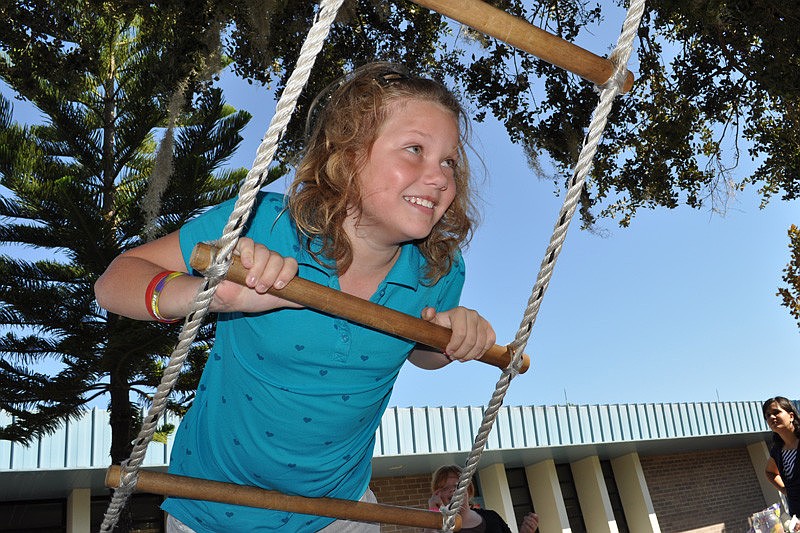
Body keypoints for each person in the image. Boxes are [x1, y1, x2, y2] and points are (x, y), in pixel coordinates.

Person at [94, 61, 497, 532]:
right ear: (347, 157)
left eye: (449, 161)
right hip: (211, 510)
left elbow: (419, 352)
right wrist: (207, 296)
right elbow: (114, 281)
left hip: (338, 511)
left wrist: (451, 340)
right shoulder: (266, 226)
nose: (440, 177)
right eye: (414, 150)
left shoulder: (439, 270)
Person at [426, 465, 539, 533]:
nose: (452, 490)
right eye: (445, 488)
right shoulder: (438, 526)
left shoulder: (492, 517)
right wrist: (433, 511)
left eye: (457, 485)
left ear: (468, 489)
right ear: (437, 494)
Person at [763, 396, 800, 524]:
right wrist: (786, 490)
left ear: (791, 416)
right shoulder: (777, 451)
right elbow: (770, 472)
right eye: (767, 415)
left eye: (776, 412)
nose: (771, 417)